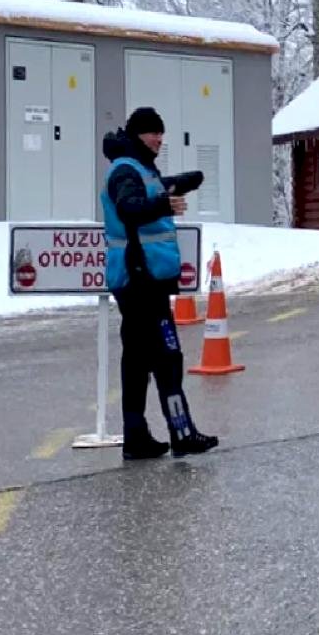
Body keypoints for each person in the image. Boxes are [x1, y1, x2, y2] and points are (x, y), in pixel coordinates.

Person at [101, 107, 219, 460]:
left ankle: (136, 438)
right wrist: (164, 204)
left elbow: (152, 190)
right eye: (153, 133)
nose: (159, 139)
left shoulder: (138, 168)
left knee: (136, 361)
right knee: (168, 356)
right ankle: (182, 433)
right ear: (137, 135)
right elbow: (130, 207)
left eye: (161, 133)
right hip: (141, 279)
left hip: (138, 279)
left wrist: (185, 181)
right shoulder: (125, 169)